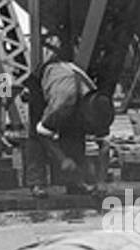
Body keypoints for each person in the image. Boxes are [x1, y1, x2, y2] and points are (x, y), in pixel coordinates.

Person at [22, 56, 96, 197]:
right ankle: (36, 183)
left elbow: (103, 145)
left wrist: (100, 177)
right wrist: (62, 159)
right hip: (40, 83)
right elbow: (42, 132)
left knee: (75, 133)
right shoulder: (63, 102)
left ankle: (75, 183)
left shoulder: (93, 98)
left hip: (64, 79)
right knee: (35, 136)